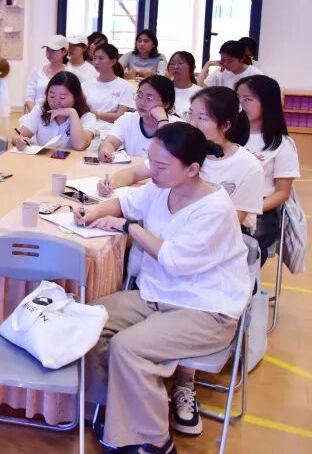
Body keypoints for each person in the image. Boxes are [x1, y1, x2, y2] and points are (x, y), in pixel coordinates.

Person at [76, 122, 251, 454]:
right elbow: (125, 203)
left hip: (205, 308)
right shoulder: (162, 187)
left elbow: (172, 259)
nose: (152, 172)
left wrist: (130, 228)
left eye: (161, 166)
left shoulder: (214, 208)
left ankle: (156, 441)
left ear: (192, 169)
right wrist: (93, 213)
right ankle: (114, 414)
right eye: (151, 162)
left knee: (128, 347)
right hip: (158, 294)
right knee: (89, 319)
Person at [101, 87, 262, 231]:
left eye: (202, 118)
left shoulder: (248, 166)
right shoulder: (182, 147)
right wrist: (110, 184)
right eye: (190, 114)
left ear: (225, 125)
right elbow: (134, 173)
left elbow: (230, 225)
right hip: (168, 229)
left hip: (207, 238)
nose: (192, 123)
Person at [238, 75, 299, 264]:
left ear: (267, 102)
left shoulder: (282, 143)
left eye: (247, 99)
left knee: (243, 248)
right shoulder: (227, 134)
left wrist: (249, 209)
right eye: (237, 98)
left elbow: (282, 193)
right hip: (226, 201)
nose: (240, 104)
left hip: (261, 207)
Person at [13, 71, 97, 151]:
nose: (56, 102)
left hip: (72, 161)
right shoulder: (41, 110)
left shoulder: (87, 117)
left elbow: (80, 145)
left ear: (76, 97)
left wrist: (72, 113)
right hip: (43, 159)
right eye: (52, 96)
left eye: (62, 98)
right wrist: (19, 141)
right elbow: (17, 136)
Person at [98, 76, 175, 162]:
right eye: (139, 95)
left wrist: (162, 120)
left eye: (149, 98)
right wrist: (106, 150)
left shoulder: (179, 127)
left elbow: (166, 157)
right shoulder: (127, 119)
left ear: (166, 104)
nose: (141, 102)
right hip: (133, 170)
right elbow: (110, 142)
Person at [86, 43, 135, 124]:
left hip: (112, 128)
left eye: (101, 58)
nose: (96, 62)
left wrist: (94, 113)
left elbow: (120, 117)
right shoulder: (86, 84)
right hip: (87, 126)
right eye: (94, 58)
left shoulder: (126, 86)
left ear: (113, 61)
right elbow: (82, 111)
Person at [23, 35, 67, 113]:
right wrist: (36, 115)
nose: (50, 53)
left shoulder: (70, 73)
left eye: (53, 50)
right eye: (47, 50)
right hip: (36, 113)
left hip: (61, 115)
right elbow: (29, 97)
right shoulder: (37, 71)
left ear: (64, 52)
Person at [198, 40, 264, 89]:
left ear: (241, 59)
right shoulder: (221, 71)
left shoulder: (255, 74)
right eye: (223, 60)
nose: (225, 64)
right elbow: (198, 87)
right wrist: (207, 64)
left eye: (230, 61)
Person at [166, 51, 201, 120]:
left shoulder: (200, 93)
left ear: (193, 68)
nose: (175, 67)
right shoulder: (162, 89)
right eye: (172, 63)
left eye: (180, 63)